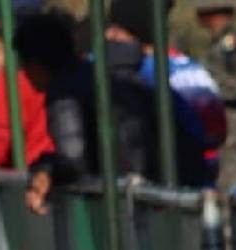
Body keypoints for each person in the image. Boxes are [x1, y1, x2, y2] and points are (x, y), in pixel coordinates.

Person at [16, 9, 209, 214]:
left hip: (137, 200)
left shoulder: (65, 93)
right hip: (169, 187)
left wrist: (47, 169)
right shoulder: (102, 78)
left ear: (35, 64)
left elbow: (72, 158)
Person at [108, 0, 227, 183]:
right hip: (200, 179)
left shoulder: (127, 71)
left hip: (157, 183)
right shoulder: (189, 67)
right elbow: (216, 129)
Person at [196, 0, 236, 189]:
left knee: (226, 187)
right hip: (226, 123)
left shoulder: (230, 41)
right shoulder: (220, 40)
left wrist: (211, 86)